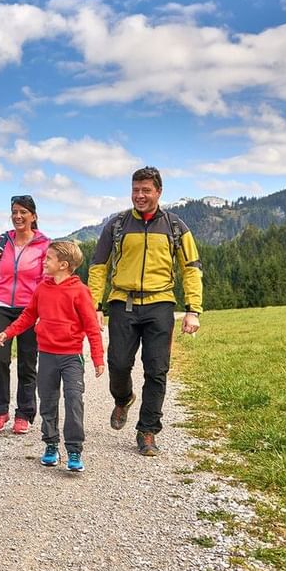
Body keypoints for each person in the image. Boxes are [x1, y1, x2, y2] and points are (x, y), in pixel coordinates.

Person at [87, 166, 203, 457]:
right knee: (118, 363)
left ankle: (148, 430)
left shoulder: (176, 227)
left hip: (160, 303)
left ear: (159, 192)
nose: (139, 195)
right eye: (135, 190)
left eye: (145, 190)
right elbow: (98, 267)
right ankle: (123, 398)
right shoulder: (117, 225)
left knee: (157, 369)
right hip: (122, 303)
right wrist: (94, 306)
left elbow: (191, 269)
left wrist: (193, 310)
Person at [0, 241, 104, 472]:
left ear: (63, 265)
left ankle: (74, 449)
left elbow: (92, 327)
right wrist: (8, 332)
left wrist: (98, 358)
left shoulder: (80, 292)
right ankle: (51, 444)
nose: (44, 262)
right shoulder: (42, 289)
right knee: (48, 402)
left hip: (71, 357)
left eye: (49, 259)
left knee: (74, 401)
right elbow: (28, 316)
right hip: (46, 356)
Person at [0, 195, 50, 435]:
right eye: (15, 212)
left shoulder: (44, 245)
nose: (18, 216)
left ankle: (24, 414)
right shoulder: (2, 240)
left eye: (23, 212)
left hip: (29, 309)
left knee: (28, 362)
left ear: (33, 216)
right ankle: (0, 411)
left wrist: (42, 309)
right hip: (1, 306)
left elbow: (47, 278)